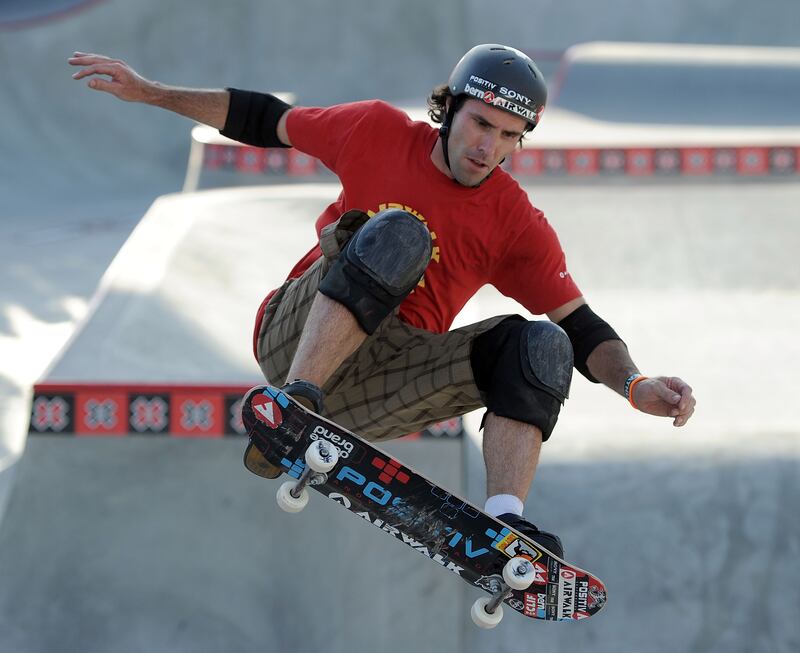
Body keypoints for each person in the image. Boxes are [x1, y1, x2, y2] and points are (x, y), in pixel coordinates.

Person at [69, 44, 696, 558]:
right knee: (400, 233)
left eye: (508, 136)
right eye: (480, 124)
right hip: (299, 338)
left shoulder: (514, 221)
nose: (488, 149)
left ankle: (507, 529)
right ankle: (295, 404)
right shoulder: (375, 130)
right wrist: (152, 92)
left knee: (542, 345)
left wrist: (634, 383)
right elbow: (265, 119)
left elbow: (580, 325)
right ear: (449, 110)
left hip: (385, 384)